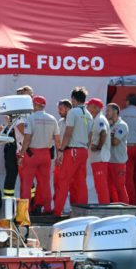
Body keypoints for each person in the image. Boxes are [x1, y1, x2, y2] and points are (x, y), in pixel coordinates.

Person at [54, 87, 92, 216]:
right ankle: (81, 212)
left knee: (63, 181)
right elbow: (90, 135)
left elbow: (68, 133)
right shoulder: (89, 114)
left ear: (73, 99)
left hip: (72, 151)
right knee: (80, 183)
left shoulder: (73, 112)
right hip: (83, 150)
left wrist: (61, 150)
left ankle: (57, 211)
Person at [18, 95, 60, 214]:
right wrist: (59, 153)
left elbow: (27, 138)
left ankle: (24, 212)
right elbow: (57, 139)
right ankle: (47, 209)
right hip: (46, 154)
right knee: (45, 183)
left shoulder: (30, 119)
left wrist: (21, 155)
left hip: (32, 154)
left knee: (27, 184)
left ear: (35, 105)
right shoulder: (52, 119)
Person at [4, 85, 34, 199]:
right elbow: (22, 130)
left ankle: (31, 203)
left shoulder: (32, 111)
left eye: (31, 95)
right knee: (11, 176)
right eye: (27, 95)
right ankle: (8, 203)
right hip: (14, 147)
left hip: (26, 148)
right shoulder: (16, 111)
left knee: (28, 179)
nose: (31, 97)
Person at [86, 98, 111, 204]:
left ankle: (104, 206)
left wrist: (99, 147)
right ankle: (103, 205)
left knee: (100, 184)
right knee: (99, 184)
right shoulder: (96, 118)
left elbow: (103, 133)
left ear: (96, 108)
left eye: (89, 106)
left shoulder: (100, 119)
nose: (87, 108)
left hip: (100, 157)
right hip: (98, 157)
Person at [106, 103, 130, 203]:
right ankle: (115, 208)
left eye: (108, 110)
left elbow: (115, 142)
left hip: (118, 162)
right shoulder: (111, 125)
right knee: (110, 187)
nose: (106, 113)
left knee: (120, 187)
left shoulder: (122, 125)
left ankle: (125, 210)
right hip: (109, 160)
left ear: (115, 111)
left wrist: (105, 137)